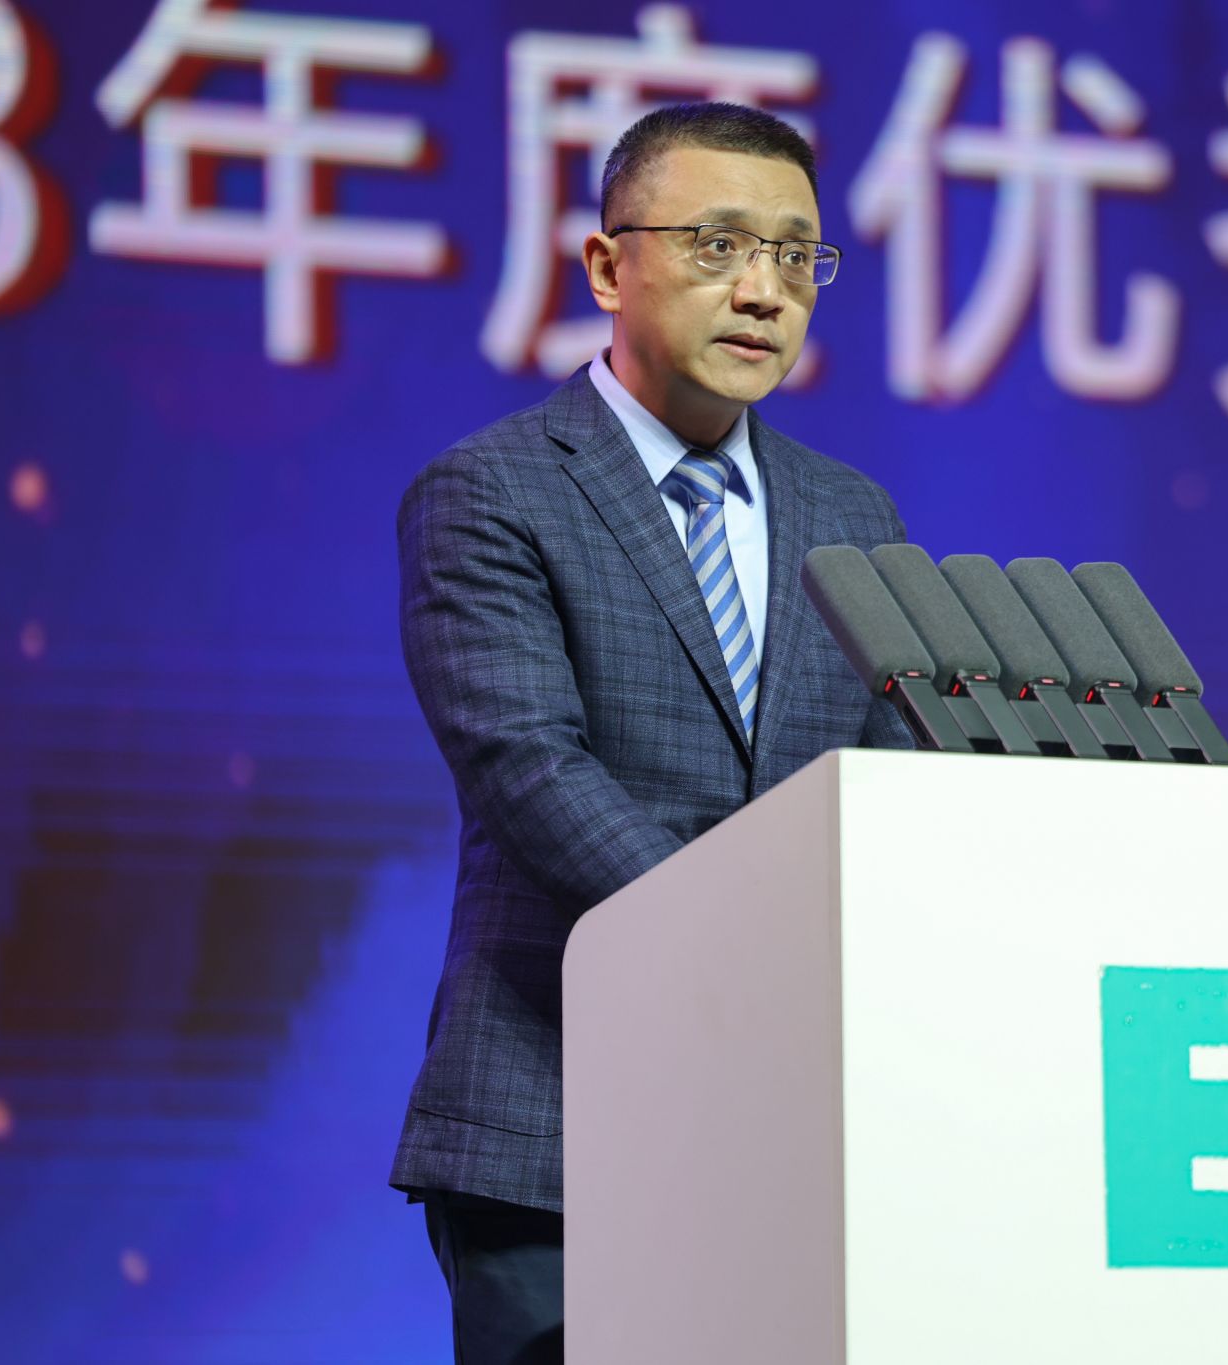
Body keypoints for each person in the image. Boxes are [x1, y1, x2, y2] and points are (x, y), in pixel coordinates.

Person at [388, 102, 912, 1363]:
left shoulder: (854, 515)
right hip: (558, 1121)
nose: (763, 291)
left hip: (796, 1136)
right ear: (607, 266)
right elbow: (529, 767)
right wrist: (763, 955)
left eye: (795, 256)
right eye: (718, 244)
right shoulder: (493, 492)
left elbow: (887, 789)